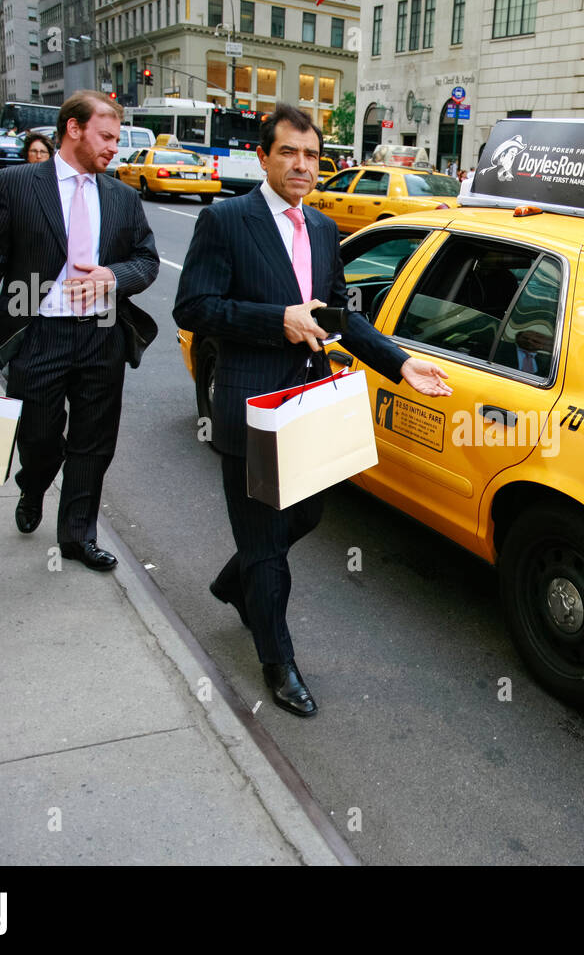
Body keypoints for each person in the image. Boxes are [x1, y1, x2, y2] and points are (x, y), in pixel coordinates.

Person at [173, 104, 453, 718]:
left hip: (310, 404)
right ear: (263, 157)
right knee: (269, 545)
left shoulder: (324, 229)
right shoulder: (226, 221)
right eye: (288, 153)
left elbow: (340, 317)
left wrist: (398, 363)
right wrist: (276, 320)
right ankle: (278, 661)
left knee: (307, 517)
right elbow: (193, 308)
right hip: (252, 408)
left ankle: (233, 581)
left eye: (310, 155)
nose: (301, 166)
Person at [0, 91, 160, 571]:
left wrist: (112, 277)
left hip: (102, 333)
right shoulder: (16, 184)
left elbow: (146, 261)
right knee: (39, 436)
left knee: (93, 441)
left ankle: (76, 537)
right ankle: (35, 482)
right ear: (74, 129)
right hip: (37, 332)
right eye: (106, 137)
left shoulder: (124, 197)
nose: (114, 148)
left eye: (118, 138)